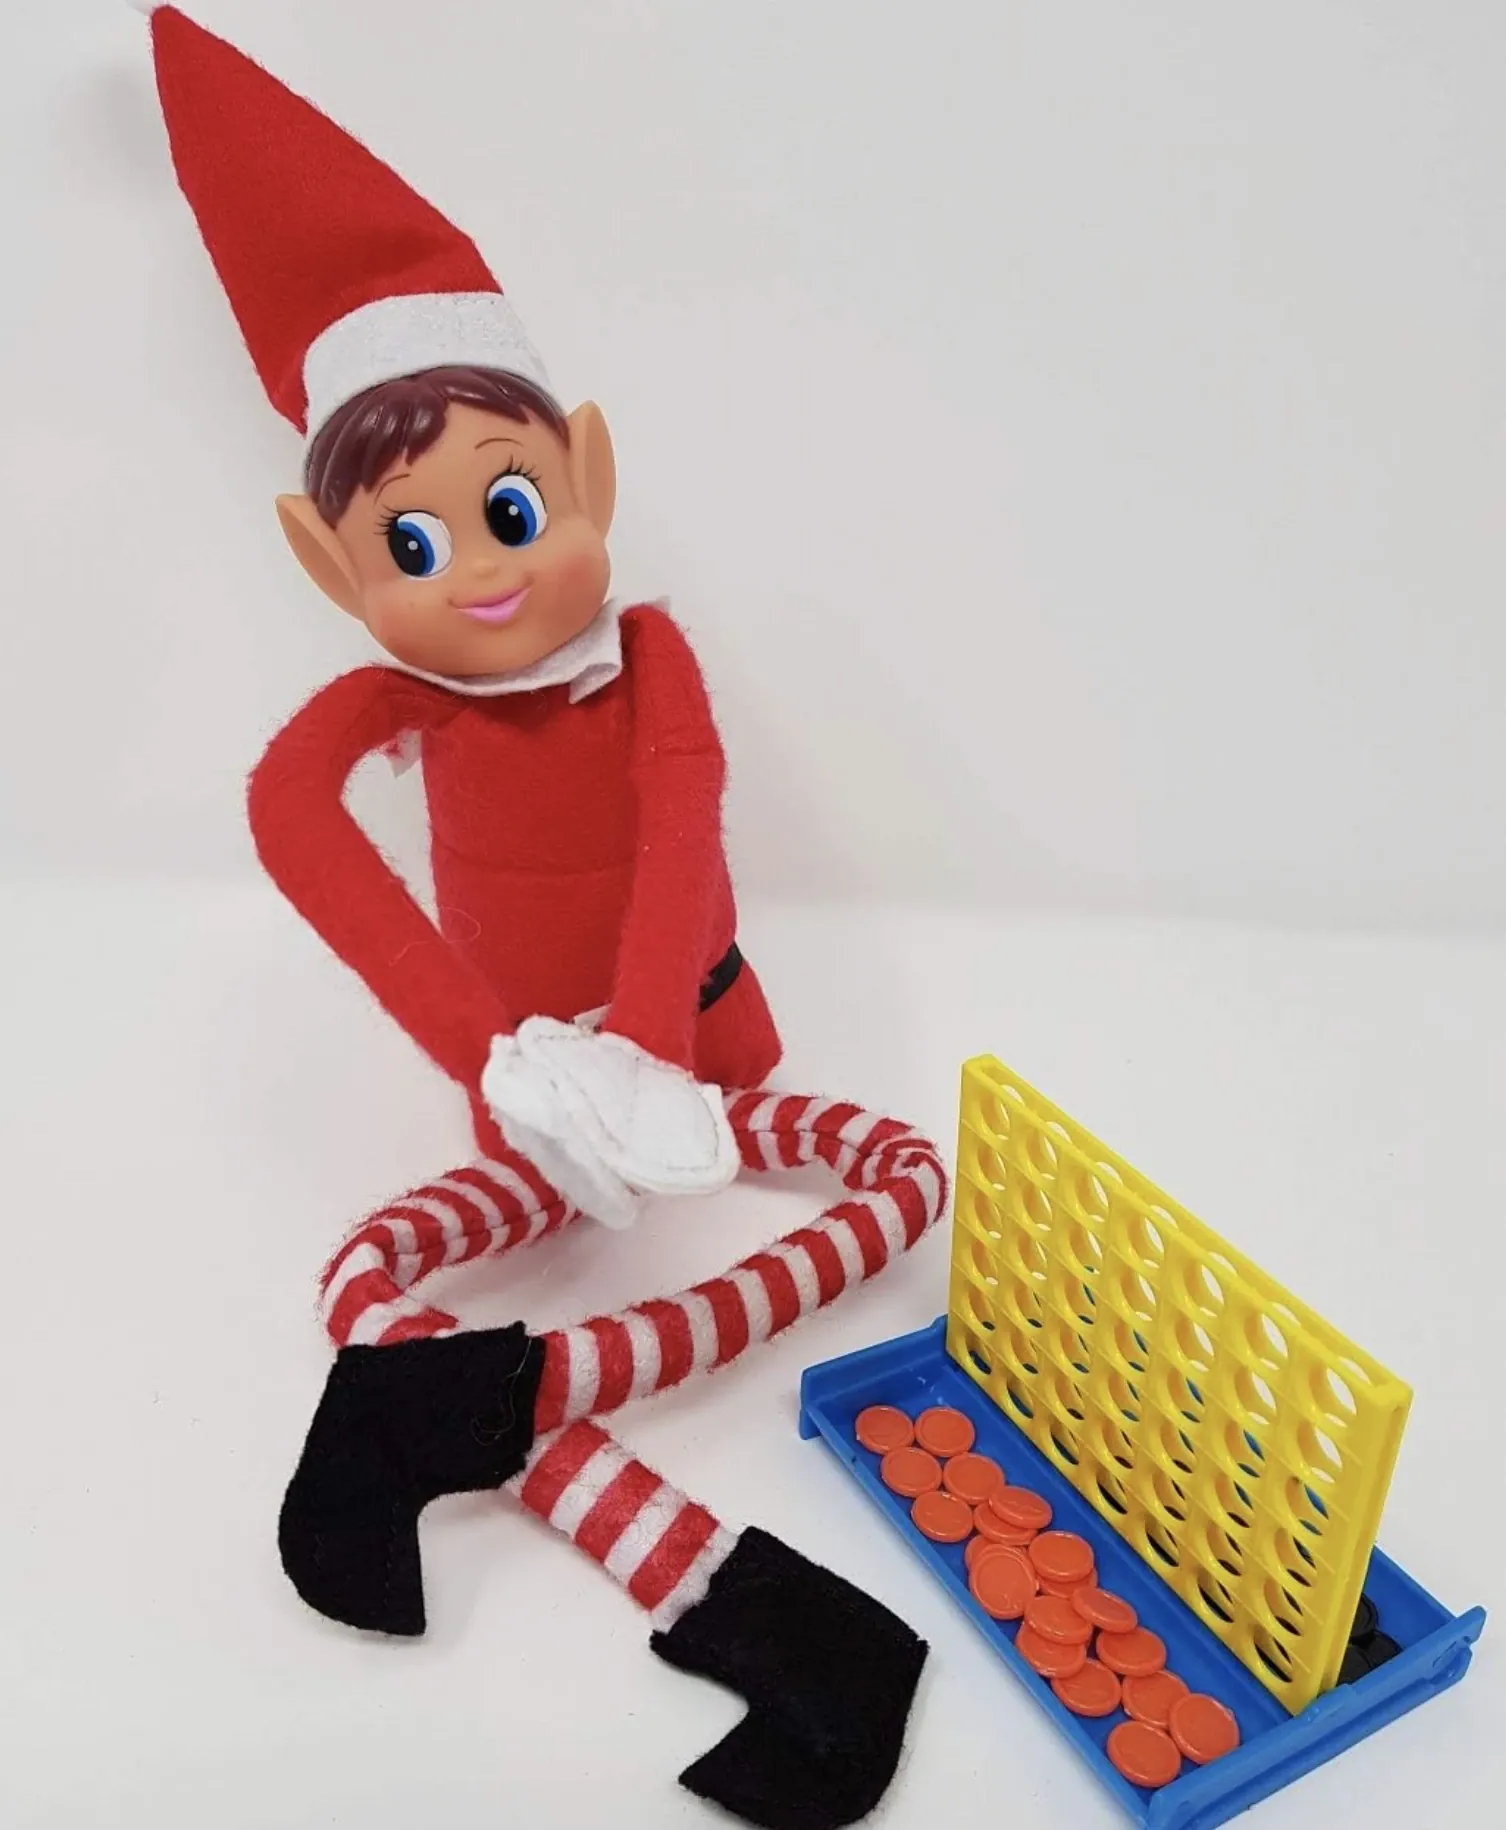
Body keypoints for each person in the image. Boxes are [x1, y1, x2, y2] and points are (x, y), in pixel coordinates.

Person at [134, 8, 946, 1827]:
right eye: (412, 545)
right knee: (367, 1278)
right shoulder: (396, 704)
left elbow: (683, 822)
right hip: (525, 1080)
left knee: (906, 1178)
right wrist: (496, 1052)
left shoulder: (647, 656)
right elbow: (287, 815)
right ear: (328, 565)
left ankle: (419, 1430)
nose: (485, 574)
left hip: (699, 1032)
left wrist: (652, 1047)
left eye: (508, 507)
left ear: (584, 471)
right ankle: (805, 1638)